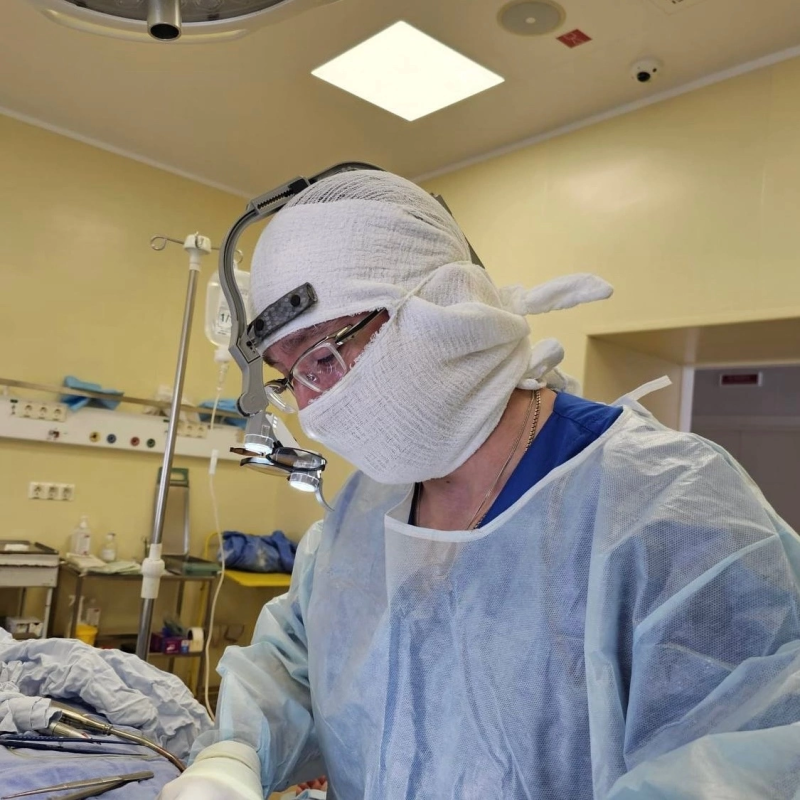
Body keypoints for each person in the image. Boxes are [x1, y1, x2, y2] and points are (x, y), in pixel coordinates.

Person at [159, 170, 800, 800]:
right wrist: (233, 754)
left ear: (443, 307)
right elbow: (301, 656)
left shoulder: (668, 504)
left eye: (322, 356)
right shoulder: (369, 505)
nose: (310, 404)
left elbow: (747, 757)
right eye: (287, 377)